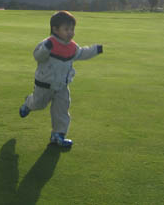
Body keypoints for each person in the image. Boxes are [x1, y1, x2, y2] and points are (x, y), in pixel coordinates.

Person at [19, 11, 103, 148]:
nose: (70, 32)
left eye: (72, 29)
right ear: (55, 29)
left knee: (62, 110)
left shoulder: (72, 46)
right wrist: (46, 49)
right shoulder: (48, 43)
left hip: (62, 86)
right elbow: (38, 57)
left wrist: (96, 50)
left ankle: (58, 135)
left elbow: (81, 53)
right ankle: (28, 104)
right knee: (38, 104)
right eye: (66, 29)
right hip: (44, 84)